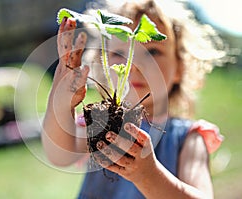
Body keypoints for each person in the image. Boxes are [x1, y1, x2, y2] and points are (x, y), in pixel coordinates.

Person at [42, 0, 225, 198]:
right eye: (120, 53)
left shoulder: (188, 138)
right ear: (103, 63)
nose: (133, 65)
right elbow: (59, 154)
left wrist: (148, 175)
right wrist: (60, 103)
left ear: (180, 67)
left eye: (153, 51)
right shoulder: (100, 123)